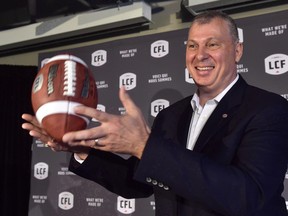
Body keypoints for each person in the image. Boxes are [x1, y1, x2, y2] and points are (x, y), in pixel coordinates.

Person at [22, 10, 288, 216]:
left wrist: (143, 145)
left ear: (237, 50)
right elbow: (138, 182)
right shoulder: (171, 116)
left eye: (213, 44)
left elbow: (247, 195)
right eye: (192, 46)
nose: (200, 55)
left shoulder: (268, 109)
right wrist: (80, 150)